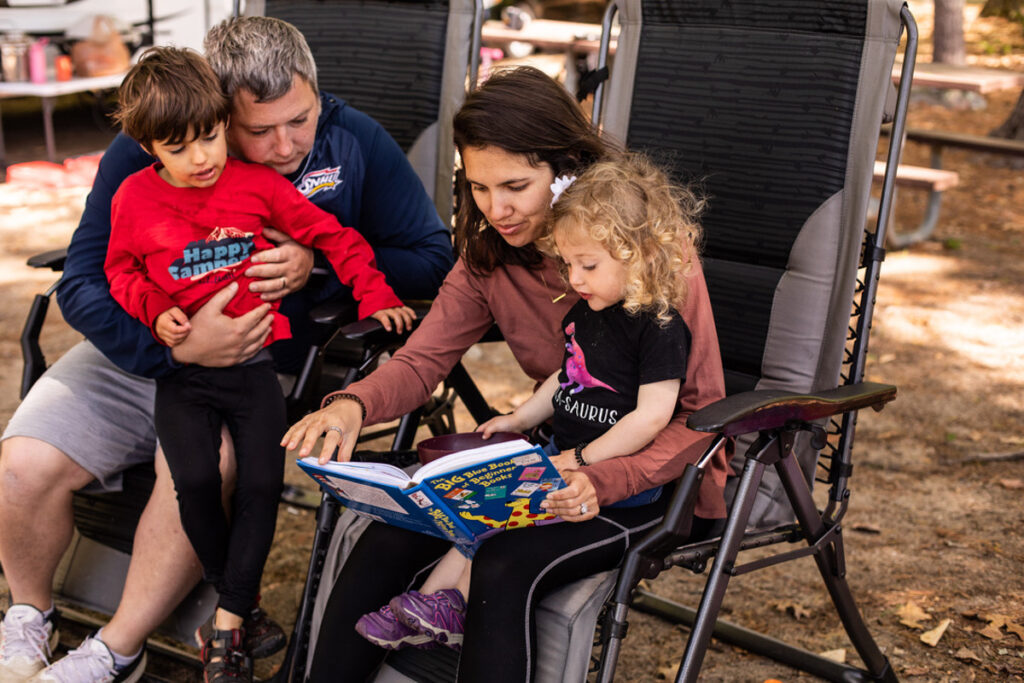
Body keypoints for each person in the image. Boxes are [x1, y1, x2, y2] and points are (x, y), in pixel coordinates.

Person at [0, 16, 452, 683]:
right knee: (21, 463)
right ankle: (30, 616)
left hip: (255, 365)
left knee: (198, 472)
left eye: (299, 119)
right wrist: (167, 349)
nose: (286, 144)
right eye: (259, 131)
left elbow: (432, 257)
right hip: (144, 350)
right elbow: (85, 280)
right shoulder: (158, 144)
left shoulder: (349, 139)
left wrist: (313, 258)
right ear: (214, 107)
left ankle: (115, 650)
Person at [281, 66, 731, 683]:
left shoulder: (651, 252)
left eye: (516, 185)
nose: (497, 209)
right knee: (389, 535)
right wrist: (352, 405)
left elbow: (697, 416)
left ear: (566, 168)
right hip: (555, 458)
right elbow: (422, 359)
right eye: (480, 188)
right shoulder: (490, 258)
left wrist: (606, 474)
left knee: (503, 560)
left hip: (656, 481)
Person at [104, 46, 415, 682]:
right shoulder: (133, 198)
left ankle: (226, 628)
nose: (202, 158)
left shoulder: (257, 185)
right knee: (192, 482)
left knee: (263, 483)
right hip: (182, 375)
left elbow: (340, 238)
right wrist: (155, 309)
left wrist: (377, 297)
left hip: (253, 369)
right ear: (149, 149)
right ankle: (239, 601)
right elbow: (118, 269)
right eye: (180, 147)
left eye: (212, 137)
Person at [351, 153, 702, 653]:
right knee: (482, 514)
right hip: (565, 456)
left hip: (614, 479)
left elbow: (653, 416)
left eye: (588, 265)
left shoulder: (660, 325)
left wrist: (583, 460)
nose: (573, 278)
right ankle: (428, 606)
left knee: (507, 519)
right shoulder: (590, 307)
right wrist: (519, 417)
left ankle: (445, 605)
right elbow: (567, 376)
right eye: (568, 264)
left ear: (637, 253)